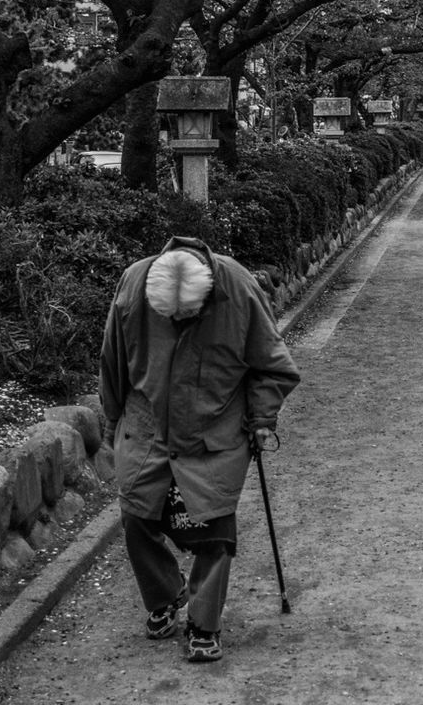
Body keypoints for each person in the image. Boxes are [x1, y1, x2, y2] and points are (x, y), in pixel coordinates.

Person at [99, 236, 300, 663]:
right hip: (146, 424)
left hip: (216, 426)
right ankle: (165, 595)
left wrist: (262, 419)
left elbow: (273, 366)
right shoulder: (134, 283)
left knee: (214, 527)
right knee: (136, 514)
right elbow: (113, 360)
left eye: (187, 315)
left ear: (206, 294)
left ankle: (204, 624)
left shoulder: (238, 287)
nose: (177, 322)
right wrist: (113, 422)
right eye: (168, 317)